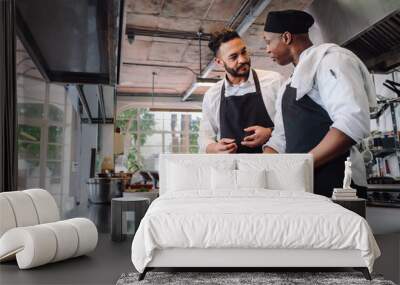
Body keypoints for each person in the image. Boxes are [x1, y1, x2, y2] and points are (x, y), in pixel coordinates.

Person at [262, 10, 376, 197]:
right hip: (300, 186)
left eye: (268, 42)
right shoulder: (287, 85)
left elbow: (351, 123)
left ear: (286, 37)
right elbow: (279, 139)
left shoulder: (332, 60)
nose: (266, 49)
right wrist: (260, 172)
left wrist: (302, 165)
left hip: (338, 183)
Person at [198, 28, 284, 154]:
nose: (243, 59)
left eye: (244, 52)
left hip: (271, 165)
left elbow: (291, 125)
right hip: (232, 170)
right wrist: (214, 148)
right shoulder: (212, 95)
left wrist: (269, 133)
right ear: (219, 62)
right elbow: (204, 136)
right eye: (234, 57)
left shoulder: (274, 81)